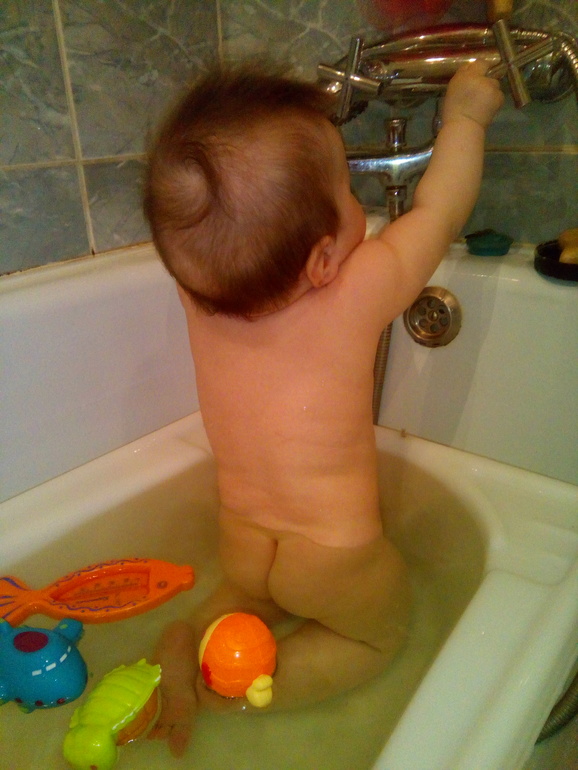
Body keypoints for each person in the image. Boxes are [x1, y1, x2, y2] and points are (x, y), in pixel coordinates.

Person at [143, 59, 503, 756]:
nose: (355, 201)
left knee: (240, 605)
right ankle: (243, 688)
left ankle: (194, 650)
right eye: (347, 190)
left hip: (243, 535)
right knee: (379, 638)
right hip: (333, 555)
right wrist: (465, 117)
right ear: (321, 260)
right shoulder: (353, 290)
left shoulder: (196, 295)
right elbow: (439, 212)